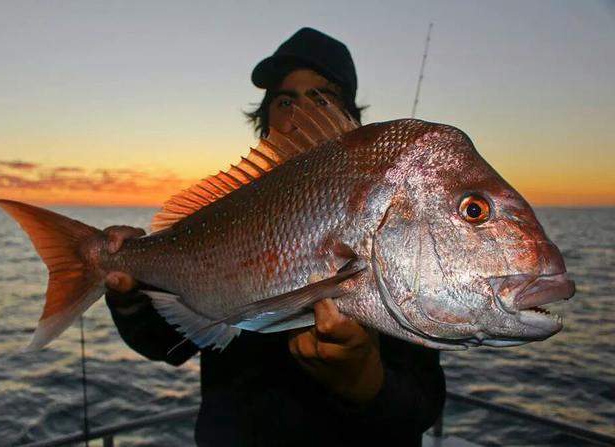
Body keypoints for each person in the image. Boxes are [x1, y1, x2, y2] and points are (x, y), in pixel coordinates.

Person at [104, 27, 445, 446]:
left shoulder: (392, 219)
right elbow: (166, 346)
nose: (301, 113)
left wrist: (363, 380)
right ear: (265, 120)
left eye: (322, 99)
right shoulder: (226, 213)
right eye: (285, 101)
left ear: (351, 118)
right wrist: (130, 298)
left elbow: (423, 403)